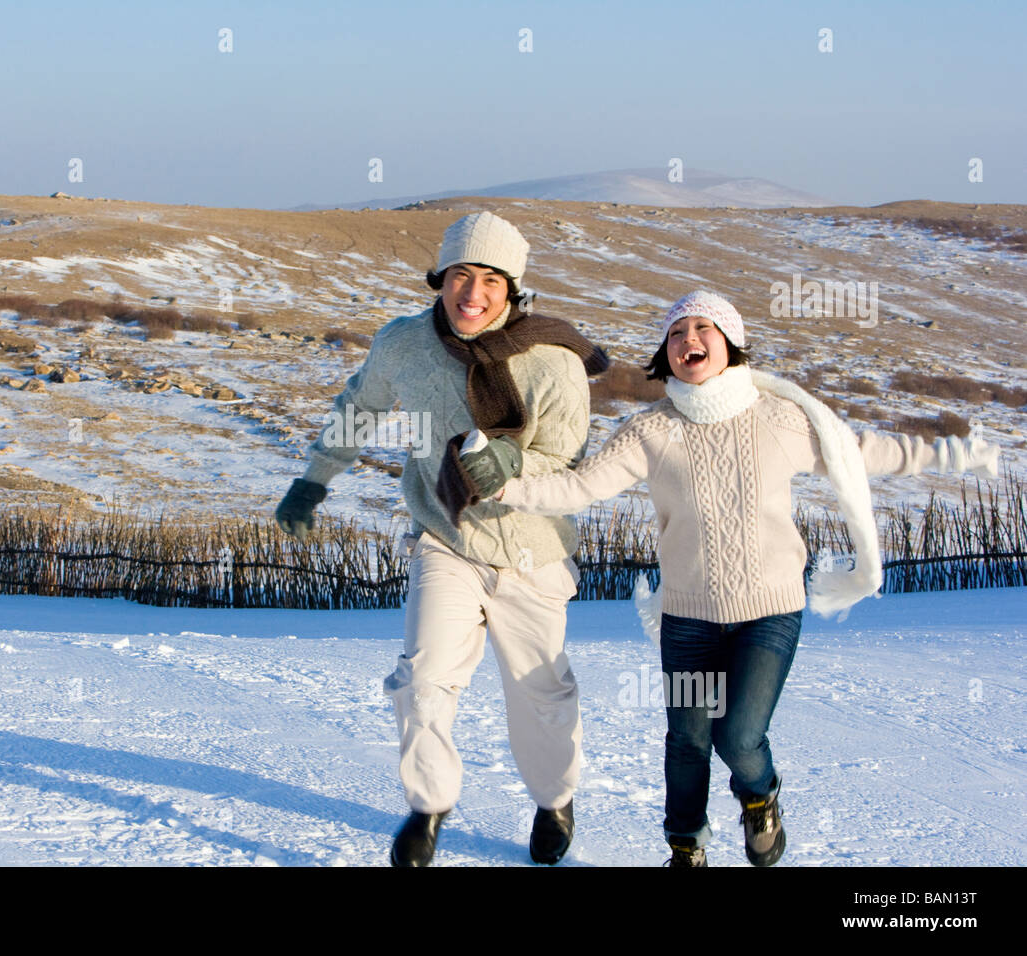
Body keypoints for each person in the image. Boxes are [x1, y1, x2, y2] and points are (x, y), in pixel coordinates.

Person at [474, 289, 998, 867]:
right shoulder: (651, 431)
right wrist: (504, 487)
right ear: (665, 351)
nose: (687, 340)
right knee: (688, 742)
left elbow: (862, 452)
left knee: (739, 739)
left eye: (703, 328)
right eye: (676, 332)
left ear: (731, 343)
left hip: (768, 611)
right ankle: (686, 849)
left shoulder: (780, 420)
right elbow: (579, 487)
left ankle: (759, 796)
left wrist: (951, 456)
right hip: (689, 617)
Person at [274, 211, 609, 866]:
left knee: (540, 696)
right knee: (422, 680)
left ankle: (554, 797)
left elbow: (568, 466)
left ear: (512, 290)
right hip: (446, 536)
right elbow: (360, 408)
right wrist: (313, 481)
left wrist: (513, 465)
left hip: (529, 551)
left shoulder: (553, 362)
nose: (472, 294)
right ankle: (428, 808)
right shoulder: (403, 344)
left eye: (489, 279)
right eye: (460, 275)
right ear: (440, 278)